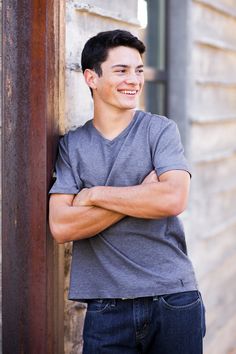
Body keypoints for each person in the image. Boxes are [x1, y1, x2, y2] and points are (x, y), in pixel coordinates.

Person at [49, 29, 205, 354]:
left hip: (173, 299)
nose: (133, 80)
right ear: (92, 77)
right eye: (121, 71)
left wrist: (93, 195)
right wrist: (141, 195)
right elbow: (62, 226)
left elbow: (173, 198)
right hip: (107, 308)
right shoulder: (73, 146)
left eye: (137, 70)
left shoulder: (159, 130)